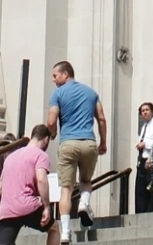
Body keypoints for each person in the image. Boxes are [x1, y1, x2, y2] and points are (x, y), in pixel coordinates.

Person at [46, 59, 108, 240]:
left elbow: (51, 121)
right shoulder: (91, 92)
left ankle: (65, 232)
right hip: (88, 142)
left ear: (65, 74)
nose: (53, 80)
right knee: (86, 180)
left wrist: (53, 133)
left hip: (68, 143)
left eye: (55, 75)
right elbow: (101, 118)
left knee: (66, 188)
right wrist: (103, 142)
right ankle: (84, 203)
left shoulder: (58, 94)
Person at [0, 125, 58, 245]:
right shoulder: (40, 155)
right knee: (54, 228)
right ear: (46, 139)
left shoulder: (10, 157)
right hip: (28, 206)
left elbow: (0, 189)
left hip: (7, 210)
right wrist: (46, 207)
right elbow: (41, 179)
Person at [134, 101, 153, 214]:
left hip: (151, 160)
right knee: (140, 188)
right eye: (142, 111)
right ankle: (140, 211)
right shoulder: (144, 126)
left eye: (147, 110)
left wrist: (145, 144)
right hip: (142, 160)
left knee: (151, 188)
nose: (144, 112)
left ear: (152, 111)